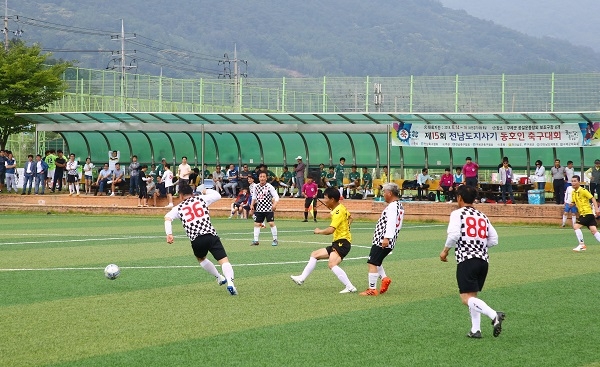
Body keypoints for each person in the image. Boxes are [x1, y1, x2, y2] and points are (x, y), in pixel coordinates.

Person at [439, 185, 505, 339]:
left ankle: (494, 315)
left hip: (466, 259)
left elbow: (454, 235)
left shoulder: (457, 214)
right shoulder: (482, 215)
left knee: (465, 298)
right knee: (472, 297)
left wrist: (445, 250)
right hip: (483, 260)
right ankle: (476, 330)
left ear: (459, 198)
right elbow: (494, 240)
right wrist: (479, 244)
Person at [164, 184, 238, 296]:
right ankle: (230, 283)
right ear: (192, 193)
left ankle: (219, 277)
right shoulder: (201, 199)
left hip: (196, 239)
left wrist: (169, 234)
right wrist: (205, 190)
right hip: (210, 235)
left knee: (201, 258)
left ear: (180, 195)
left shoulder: (178, 208)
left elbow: (167, 218)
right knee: (223, 260)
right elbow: (217, 195)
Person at [290, 187, 357, 294]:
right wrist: (345, 228)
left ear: (332, 199)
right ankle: (301, 278)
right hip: (340, 241)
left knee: (332, 264)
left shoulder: (337, 212)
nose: (324, 200)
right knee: (315, 254)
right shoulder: (341, 207)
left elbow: (330, 230)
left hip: (342, 242)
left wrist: (319, 231)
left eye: (325, 198)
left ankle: (350, 286)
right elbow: (350, 218)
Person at [359, 182, 404, 296]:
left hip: (382, 239)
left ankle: (372, 289)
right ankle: (384, 279)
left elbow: (391, 222)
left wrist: (386, 238)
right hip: (386, 239)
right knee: (376, 261)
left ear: (389, 193)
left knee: (372, 262)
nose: (383, 194)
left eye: (384, 192)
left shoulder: (393, 206)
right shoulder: (399, 205)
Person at [570, 175, 600, 252]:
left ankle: (582, 245)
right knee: (594, 230)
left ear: (579, 182)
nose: (573, 183)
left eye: (575, 181)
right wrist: (571, 204)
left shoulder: (583, 190)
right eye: (572, 181)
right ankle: (582, 245)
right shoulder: (573, 192)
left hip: (587, 213)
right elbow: (574, 202)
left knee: (576, 226)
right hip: (584, 214)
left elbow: (592, 198)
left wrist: (596, 209)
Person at [249, 171, 279, 246]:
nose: (262, 178)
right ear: (258, 178)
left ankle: (275, 240)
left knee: (271, 223)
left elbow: (276, 196)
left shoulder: (269, 186)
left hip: (268, 208)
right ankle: (256, 240)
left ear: (266, 178)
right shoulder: (256, 186)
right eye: (260, 177)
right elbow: (254, 197)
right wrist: (252, 205)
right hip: (259, 208)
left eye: (263, 177)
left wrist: (274, 205)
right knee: (256, 224)